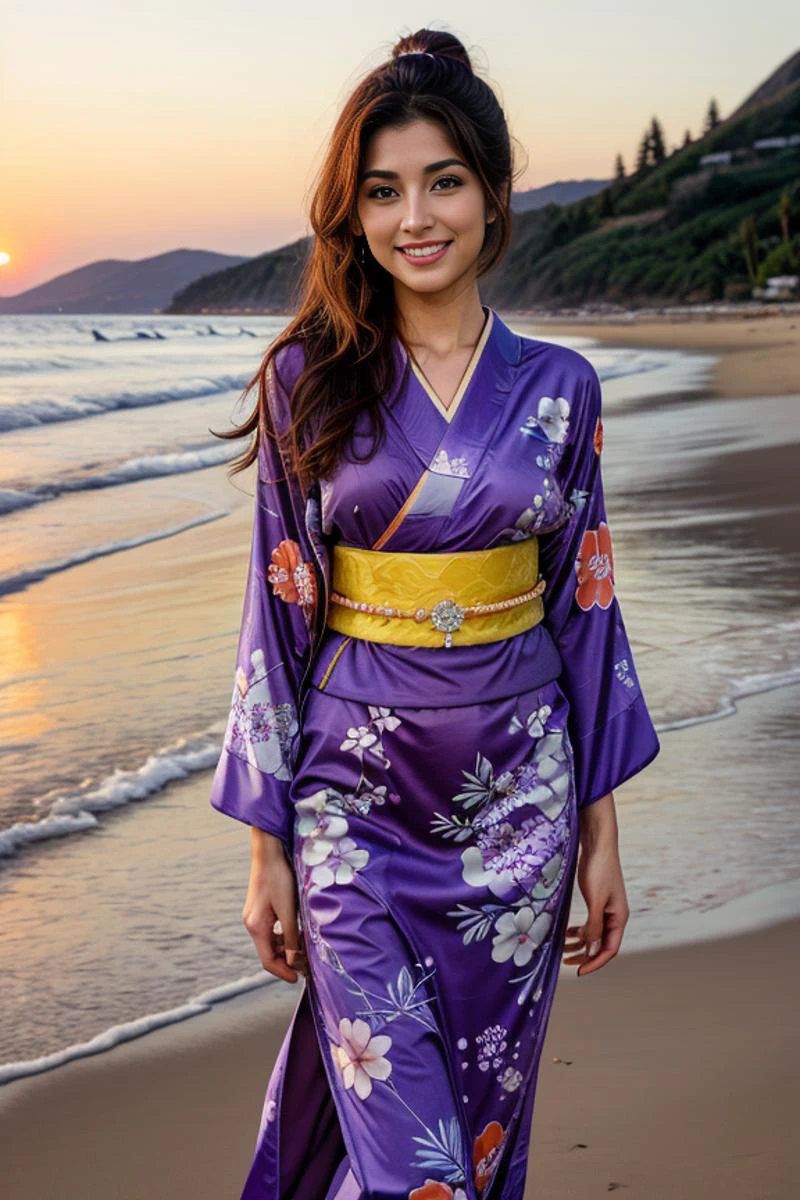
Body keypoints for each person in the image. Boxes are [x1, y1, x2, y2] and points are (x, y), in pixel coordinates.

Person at [208, 26, 661, 1200]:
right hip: (350, 805)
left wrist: (601, 834)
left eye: (443, 181)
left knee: (477, 1124)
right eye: (382, 189)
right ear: (350, 213)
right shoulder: (306, 380)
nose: (416, 216)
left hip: (518, 802)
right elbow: (277, 611)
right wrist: (267, 851)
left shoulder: (561, 389)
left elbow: (585, 609)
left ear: (493, 195)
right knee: (413, 1159)